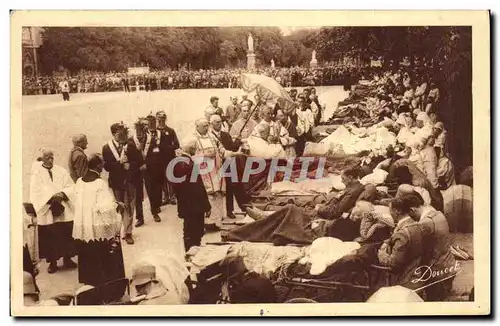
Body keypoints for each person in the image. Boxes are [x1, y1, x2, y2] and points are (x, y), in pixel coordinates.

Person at [69, 154, 125, 286]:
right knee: (105, 255)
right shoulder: (100, 183)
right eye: (102, 163)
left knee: (88, 254)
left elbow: (77, 202)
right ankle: (108, 285)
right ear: (99, 166)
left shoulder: (80, 182)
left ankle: (89, 282)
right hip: (99, 228)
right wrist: (117, 206)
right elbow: (105, 208)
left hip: (85, 229)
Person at [29, 148, 76, 274]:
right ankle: (53, 262)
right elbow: (35, 193)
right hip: (48, 210)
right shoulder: (36, 174)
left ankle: (67, 258)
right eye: (47, 158)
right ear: (42, 159)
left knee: (66, 233)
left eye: (52, 157)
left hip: (63, 207)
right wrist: (50, 198)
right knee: (51, 237)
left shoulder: (61, 170)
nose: (50, 160)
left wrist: (62, 193)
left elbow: (70, 186)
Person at [102, 123, 145, 245]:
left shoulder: (130, 145)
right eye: (120, 133)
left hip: (130, 181)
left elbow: (140, 162)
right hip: (116, 182)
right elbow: (107, 166)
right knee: (120, 207)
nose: (123, 135)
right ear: (114, 134)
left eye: (124, 133)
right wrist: (119, 163)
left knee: (130, 207)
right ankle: (119, 231)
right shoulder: (106, 148)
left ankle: (128, 233)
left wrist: (130, 166)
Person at [407, 194, 456, 301]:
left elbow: (419, 250)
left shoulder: (425, 223)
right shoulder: (437, 214)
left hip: (436, 273)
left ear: (412, 210)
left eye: (410, 215)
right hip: (448, 266)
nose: (412, 219)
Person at [377, 195, 424, 289]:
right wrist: (387, 242)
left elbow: (393, 265)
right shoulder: (417, 225)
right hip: (417, 271)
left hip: (404, 279)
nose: (389, 213)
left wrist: (381, 255)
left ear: (397, 211)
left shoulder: (403, 233)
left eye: (390, 210)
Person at [171, 138, 212, 250]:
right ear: (193, 150)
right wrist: (207, 206)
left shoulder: (176, 163)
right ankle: (193, 254)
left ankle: (188, 252)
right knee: (196, 233)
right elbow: (199, 188)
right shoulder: (191, 165)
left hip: (184, 204)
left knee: (188, 231)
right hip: (196, 206)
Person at [209, 115, 248, 219]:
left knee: (232, 187)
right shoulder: (209, 135)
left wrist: (238, 141)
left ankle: (231, 210)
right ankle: (218, 214)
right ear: (211, 124)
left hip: (229, 163)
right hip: (216, 165)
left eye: (220, 122)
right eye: (216, 122)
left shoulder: (225, 134)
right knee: (219, 190)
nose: (219, 124)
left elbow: (232, 148)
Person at [191, 118, 225, 229]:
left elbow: (220, 148)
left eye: (207, 125)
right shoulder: (192, 139)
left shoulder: (212, 136)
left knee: (218, 194)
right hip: (202, 172)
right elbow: (188, 156)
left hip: (215, 170)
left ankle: (217, 221)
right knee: (205, 196)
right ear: (197, 127)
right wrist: (204, 155)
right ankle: (205, 223)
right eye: (204, 126)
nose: (207, 128)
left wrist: (223, 151)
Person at [142, 115, 165, 223]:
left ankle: (157, 205)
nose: (151, 125)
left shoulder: (160, 133)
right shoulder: (143, 136)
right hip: (148, 168)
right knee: (151, 190)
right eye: (149, 123)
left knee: (158, 189)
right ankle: (154, 211)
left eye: (153, 122)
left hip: (159, 166)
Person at [156, 111, 180, 206]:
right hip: (158, 159)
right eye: (159, 119)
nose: (161, 120)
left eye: (162, 119)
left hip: (169, 158)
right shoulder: (154, 132)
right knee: (162, 178)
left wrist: (165, 148)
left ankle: (173, 197)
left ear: (165, 119)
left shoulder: (170, 130)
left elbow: (176, 144)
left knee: (171, 177)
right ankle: (165, 197)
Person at [131, 118, 148, 227]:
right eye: (143, 126)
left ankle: (155, 211)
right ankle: (140, 217)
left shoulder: (150, 137)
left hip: (149, 168)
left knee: (151, 190)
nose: (146, 127)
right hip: (138, 171)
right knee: (138, 195)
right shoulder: (132, 140)